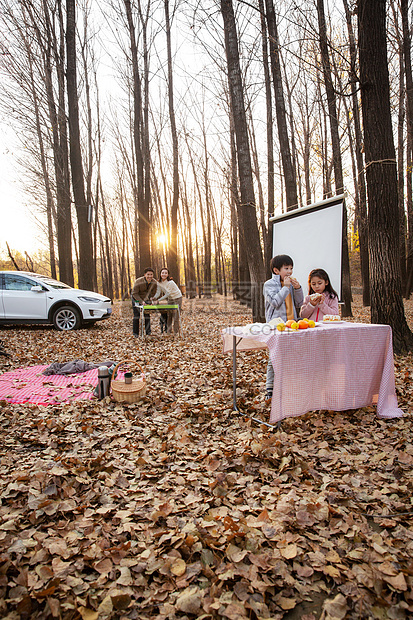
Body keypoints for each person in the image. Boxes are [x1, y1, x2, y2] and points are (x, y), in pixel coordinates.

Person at [263, 254, 304, 403]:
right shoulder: (269, 285)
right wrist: (286, 288)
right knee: (274, 357)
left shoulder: (290, 285)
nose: (290, 272)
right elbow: (275, 302)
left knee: (292, 357)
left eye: (291, 268)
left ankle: (289, 388)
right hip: (276, 326)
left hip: (292, 324)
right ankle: (270, 389)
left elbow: (299, 303)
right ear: (276, 270)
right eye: (286, 268)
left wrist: (297, 288)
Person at [153, 267, 182, 334]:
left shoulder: (170, 282)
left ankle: (176, 333)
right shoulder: (159, 282)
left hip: (177, 298)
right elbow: (158, 292)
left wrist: (158, 301)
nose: (164, 274)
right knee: (169, 315)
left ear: (168, 275)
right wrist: (154, 298)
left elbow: (167, 294)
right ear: (160, 274)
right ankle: (168, 332)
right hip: (170, 299)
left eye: (166, 273)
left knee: (175, 316)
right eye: (162, 273)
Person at [131, 268, 158, 336]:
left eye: (151, 274)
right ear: (144, 275)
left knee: (147, 315)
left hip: (146, 299)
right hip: (136, 298)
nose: (149, 276)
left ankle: (148, 332)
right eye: (148, 274)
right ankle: (135, 333)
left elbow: (154, 293)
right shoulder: (138, 281)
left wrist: (151, 299)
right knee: (137, 315)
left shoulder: (154, 282)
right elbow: (134, 293)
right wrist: (141, 302)